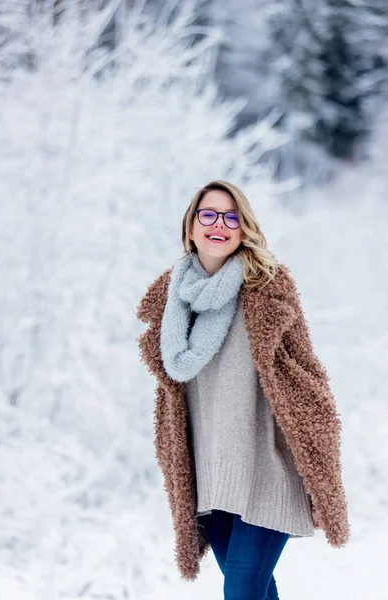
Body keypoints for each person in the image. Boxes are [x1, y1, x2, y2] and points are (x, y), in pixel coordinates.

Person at [135, 180, 350, 599]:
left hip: (268, 469)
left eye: (231, 217)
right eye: (209, 215)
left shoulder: (267, 286)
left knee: (242, 588)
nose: (220, 224)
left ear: (243, 229)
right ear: (191, 229)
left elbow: (307, 374)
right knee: (254, 588)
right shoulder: (170, 303)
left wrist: (315, 438)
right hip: (209, 476)